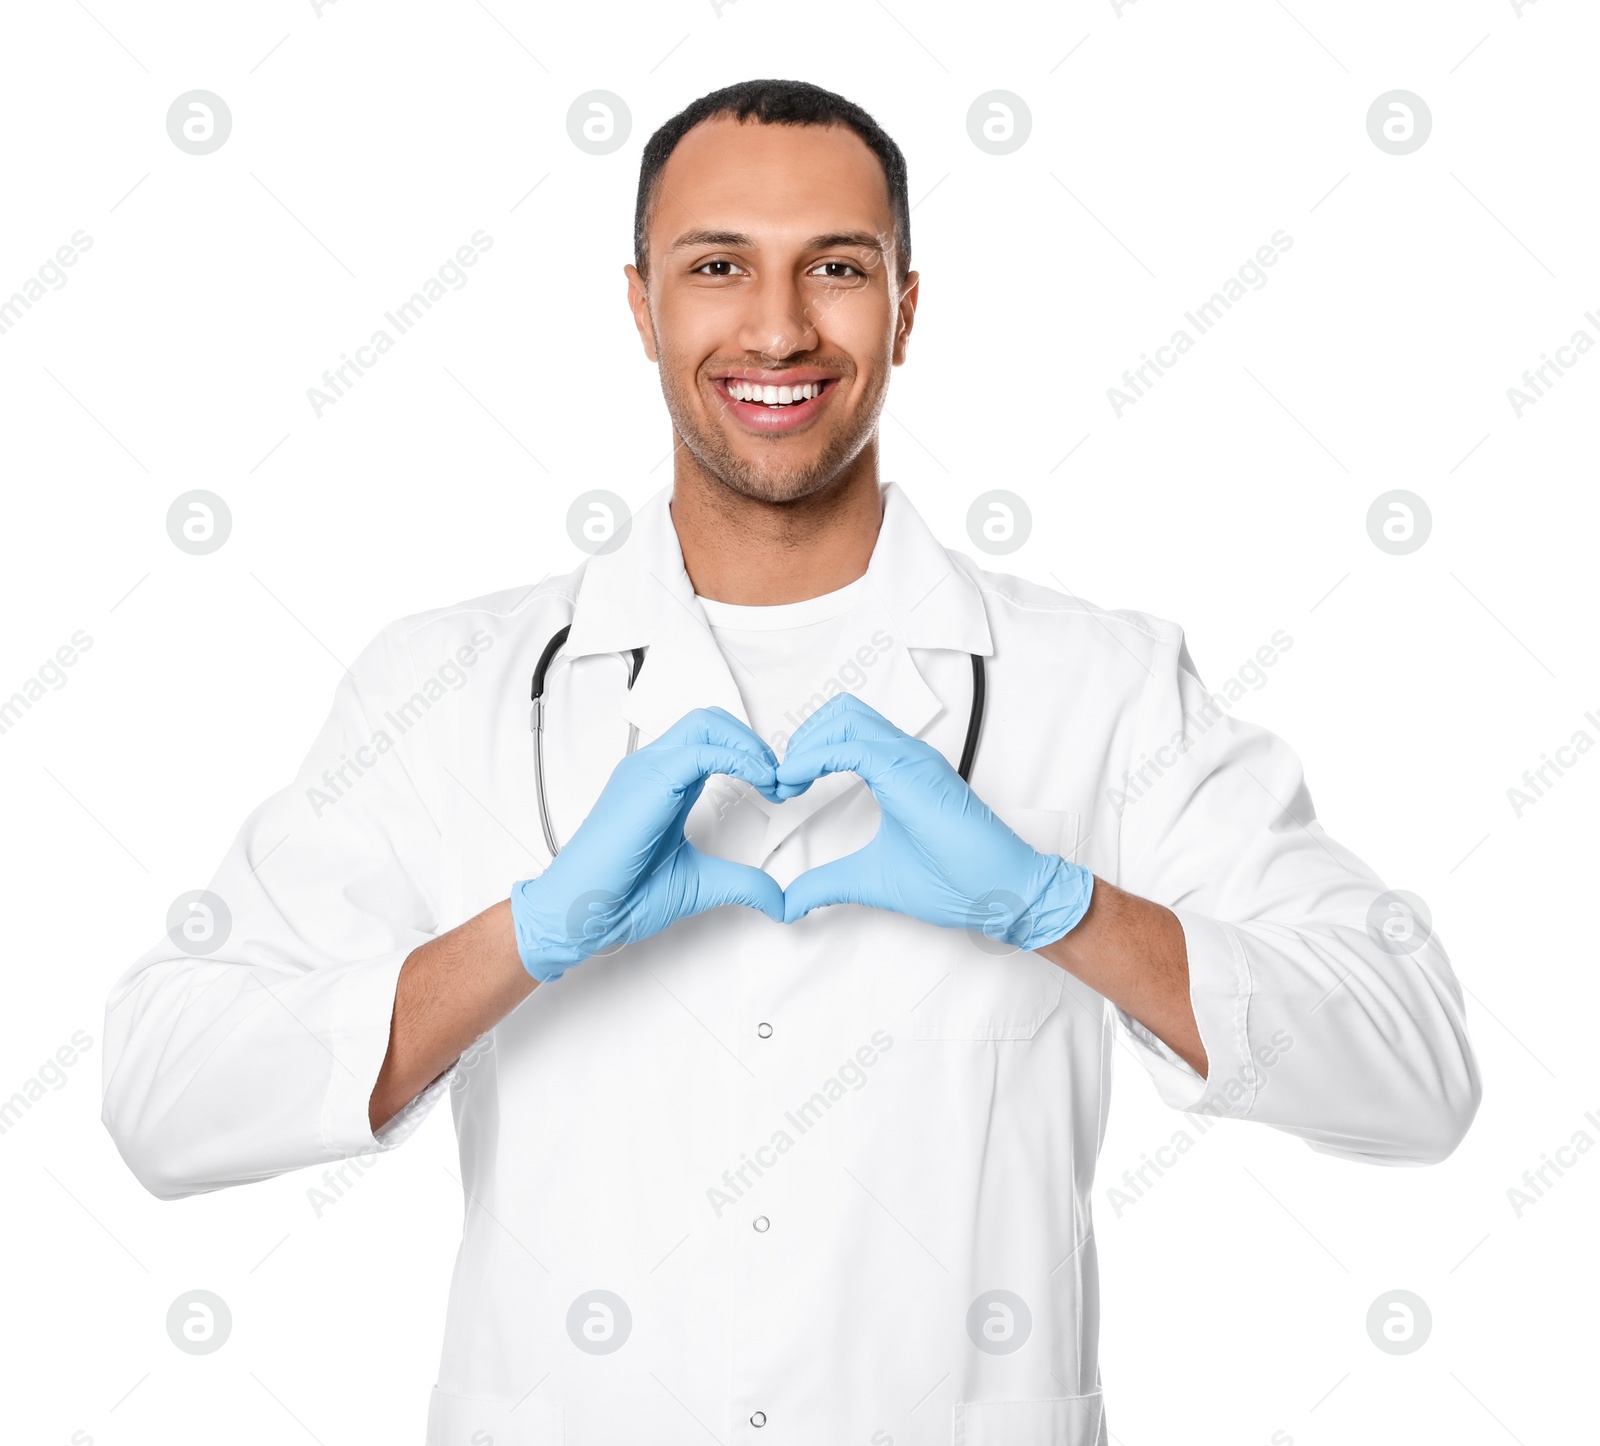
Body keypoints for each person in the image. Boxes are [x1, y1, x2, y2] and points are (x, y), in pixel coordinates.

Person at [102, 79, 1481, 1445]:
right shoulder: (447, 688)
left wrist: (1061, 909)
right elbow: (165, 1092)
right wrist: (521, 937)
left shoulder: (1102, 686)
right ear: (641, 304)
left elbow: (1417, 1071)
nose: (777, 326)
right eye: (718, 267)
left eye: (837, 267)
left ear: (906, 308)